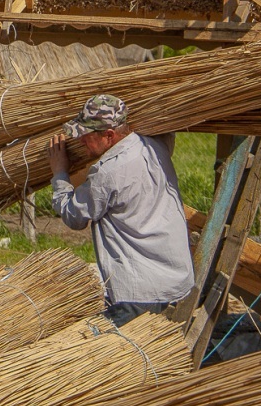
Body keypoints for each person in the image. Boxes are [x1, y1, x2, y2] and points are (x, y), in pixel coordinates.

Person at [47, 94, 195, 326]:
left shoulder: (108, 172)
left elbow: (73, 217)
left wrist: (59, 173)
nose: (81, 141)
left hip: (139, 293)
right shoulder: (155, 146)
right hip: (176, 280)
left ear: (109, 135)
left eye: (86, 135)